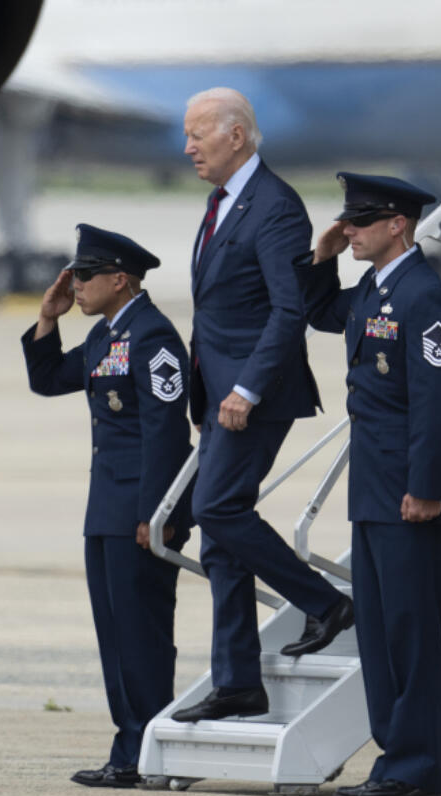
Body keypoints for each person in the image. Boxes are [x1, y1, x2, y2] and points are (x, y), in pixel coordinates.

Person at [171, 88, 354, 724]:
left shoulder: (273, 207)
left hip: (254, 393)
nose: (188, 146)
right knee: (221, 538)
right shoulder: (223, 203)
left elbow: (288, 309)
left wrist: (246, 389)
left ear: (237, 136)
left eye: (198, 134)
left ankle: (325, 603)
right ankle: (238, 682)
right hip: (219, 390)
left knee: (216, 507)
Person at [295, 173, 441, 796]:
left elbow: (440, 403)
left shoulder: (424, 297)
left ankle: (415, 768)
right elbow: (320, 312)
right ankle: (395, 758)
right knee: (377, 633)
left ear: (398, 224)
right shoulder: (373, 289)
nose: (351, 230)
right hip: (372, 487)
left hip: (408, 494)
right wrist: (322, 258)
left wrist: (426, 486)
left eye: (362, 221)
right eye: (348, 219)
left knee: (408, 633)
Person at [21, 223, 193, 788]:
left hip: (140, 511)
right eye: (73, 274)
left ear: (121, 279)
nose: (76, 284)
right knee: (115, 633)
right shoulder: (105, 335)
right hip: (107, 509)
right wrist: (48, 317)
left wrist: (156, 514)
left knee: (141, 632)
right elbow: (47, 380)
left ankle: (150, 749)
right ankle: (131, 747)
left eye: (85, 275)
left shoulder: (152, 337)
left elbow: (165, 432)